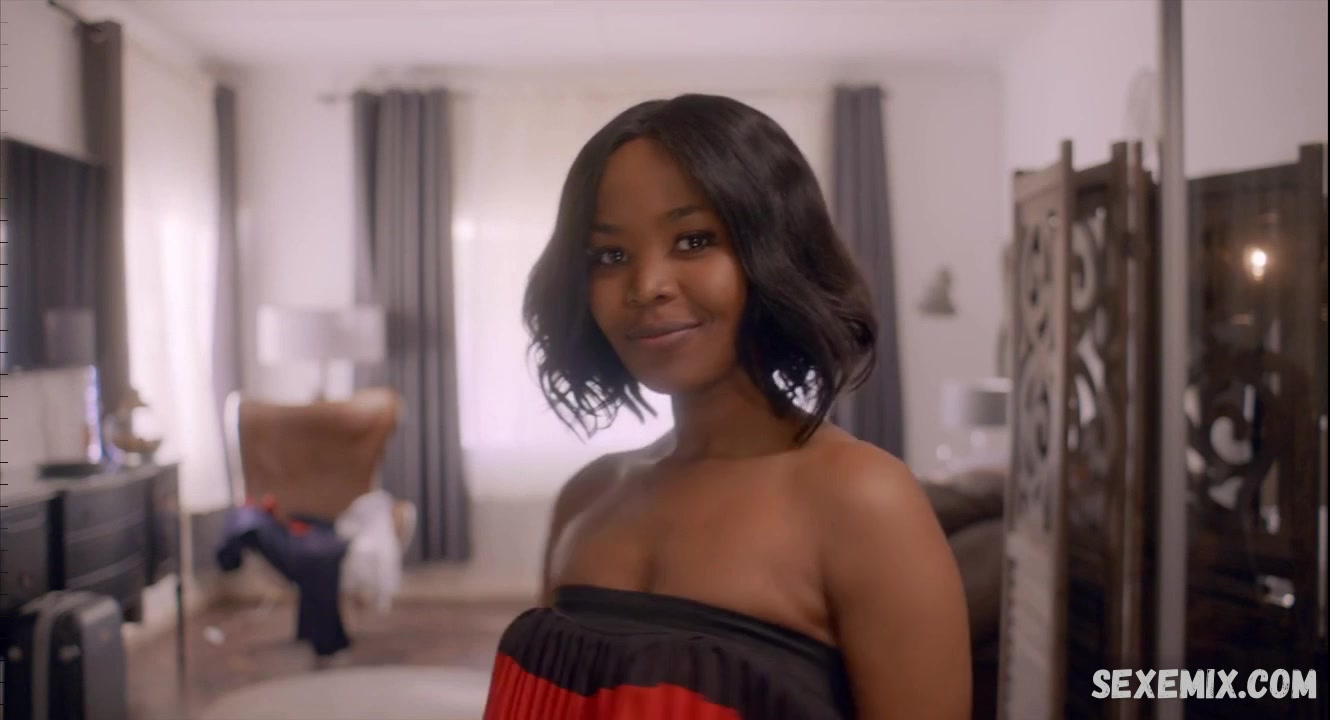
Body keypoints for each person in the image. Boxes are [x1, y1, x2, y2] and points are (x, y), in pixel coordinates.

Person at [482, 94, 970, 720]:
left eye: (693, 240)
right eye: (610, 255)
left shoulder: (865, 500)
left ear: (777, 252)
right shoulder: (588, 496)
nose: (646, 286)